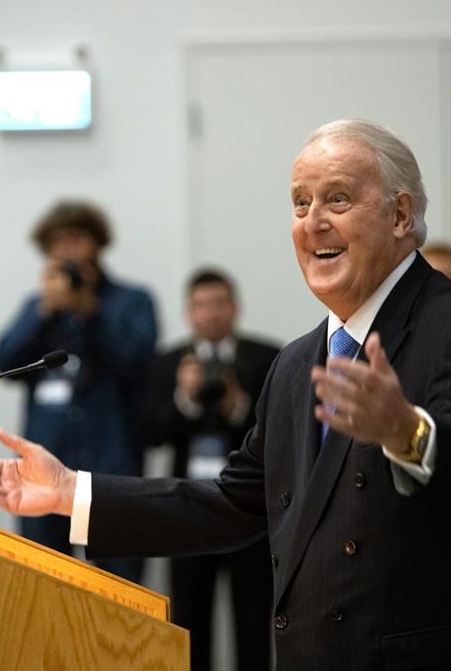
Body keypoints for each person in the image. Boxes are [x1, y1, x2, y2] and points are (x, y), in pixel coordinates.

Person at [0, 119, 451, 669]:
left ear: (400, 215)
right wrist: (71, 493)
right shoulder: (296, 363)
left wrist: (405, 431)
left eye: (337, 199)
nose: (312, 221)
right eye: (300, 203)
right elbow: (232, 504)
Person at [0, 200, 157, 584]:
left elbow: (138, 364)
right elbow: (5, 362)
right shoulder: (38, 307)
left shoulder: (131, 301)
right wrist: (43, 313)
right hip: (44, 468)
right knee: (43, 586)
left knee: (121, 590)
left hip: (111, 468)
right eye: (58, 242)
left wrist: (92, 313)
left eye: (77, 239)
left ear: (98, 244)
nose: (68, 250)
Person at [141, 268, 279, 671]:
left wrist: (239, 405)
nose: (211, 314)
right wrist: (183, 398)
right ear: (188, 313)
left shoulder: (268, 357)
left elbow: (280, 434)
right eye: (202, 306)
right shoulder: (167, 363)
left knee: (254, 621)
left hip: (251, 512)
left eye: (220, 304)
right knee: (188, 621)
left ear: (235, 307)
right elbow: (150, 433)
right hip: (188, 511)